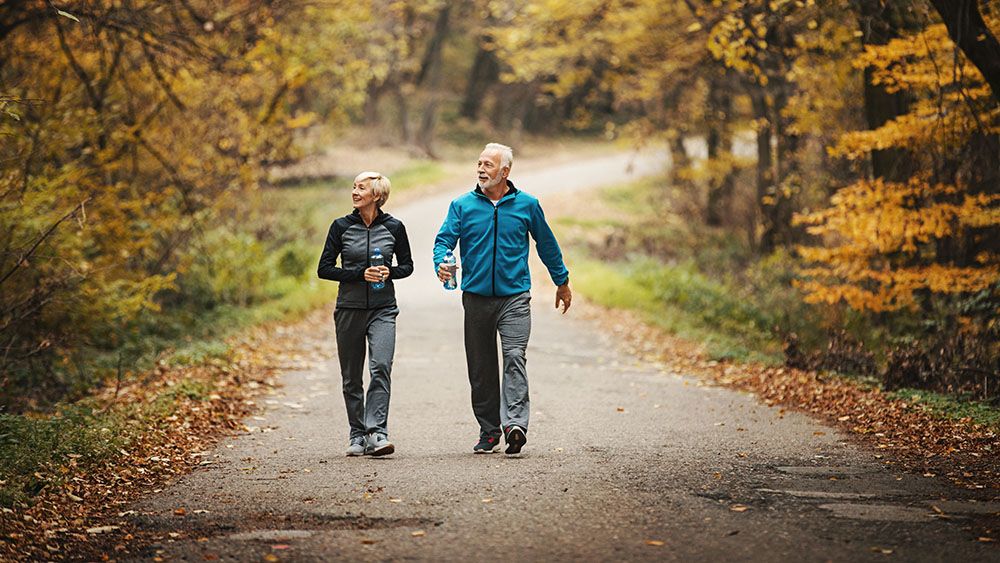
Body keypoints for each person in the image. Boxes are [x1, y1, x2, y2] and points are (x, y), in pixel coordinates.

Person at [433, 143, 572, 455]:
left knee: (514, 357)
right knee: (481, 368)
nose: (481, 169)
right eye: (479, 163)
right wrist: (442, 262)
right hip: (476, 298)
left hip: (515, 297)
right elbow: (444, 241)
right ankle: (489, 430)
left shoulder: (527, 205)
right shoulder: (462, 205)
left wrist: (561, 281)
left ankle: (515, 425)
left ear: (505, 172)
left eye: (488, 165)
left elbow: (546, 244)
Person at [318, 171, 413, 457]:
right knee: (351, 377)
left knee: (381, 366)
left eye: (361, 188)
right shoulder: (340, 227)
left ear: (377, 195)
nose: (355, 192)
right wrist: (360, 274)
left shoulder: (395, 227)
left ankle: (377, 432)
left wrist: (390, 271)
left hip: (383, 309)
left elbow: (407, 266)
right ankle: (357, 434)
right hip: (349, 309)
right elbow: (324, 268)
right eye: (354, 187)